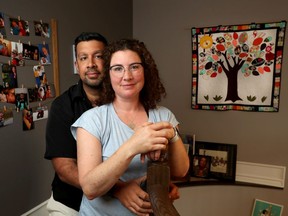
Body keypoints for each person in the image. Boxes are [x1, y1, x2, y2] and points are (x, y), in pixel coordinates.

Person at [45, 33, 180, 216]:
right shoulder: (65, 107)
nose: (91, 63)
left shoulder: (157, 112)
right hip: (70, 203)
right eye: (83, 58)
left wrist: (158, 186)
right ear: (76, 65)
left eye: (98, 56)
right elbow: (65, 169)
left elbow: (176, 168)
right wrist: (118, 189)